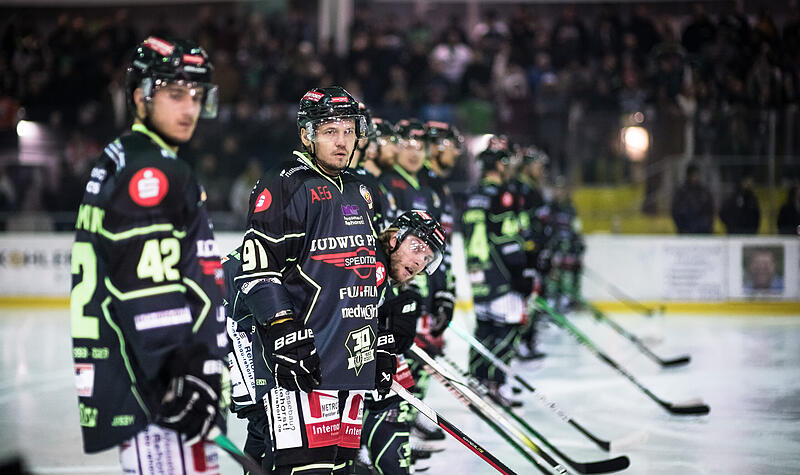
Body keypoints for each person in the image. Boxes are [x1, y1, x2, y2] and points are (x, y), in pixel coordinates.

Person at [69, 37, 228, 474]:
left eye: (197, 96)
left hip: (150, 385)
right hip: (160, 392)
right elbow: (148, 289)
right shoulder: (153, 171)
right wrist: (182, 374)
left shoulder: (127, 157)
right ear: (141, 98)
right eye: (175, 94)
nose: (189, 108)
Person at [234, 86, 395, 475]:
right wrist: (284, 332)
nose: (341, 141)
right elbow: (258, 269)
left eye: (348, 130)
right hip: (300, 356)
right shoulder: (286, 183)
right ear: (307, 134)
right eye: (329, 131)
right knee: (303, 467)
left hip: (350, 355)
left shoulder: (361, 188)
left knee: (340, 465)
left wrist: (382, 339)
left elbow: (370, 269)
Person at [462, 148, 528, 408]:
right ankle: (497, 383)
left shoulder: (473, 194)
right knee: (508, 328)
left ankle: (477, 381)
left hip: (477, 273)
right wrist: (521, 272)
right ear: (500, 165)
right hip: (501, 275)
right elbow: (506, 239)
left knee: (485, 327)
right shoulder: (503, 194)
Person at [671, 164, 714, 234]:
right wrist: (682, 228)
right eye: (693, 175)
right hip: (686, 231)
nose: (695, 177)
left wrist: (707, 227)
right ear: (688, 175)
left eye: (697, 175)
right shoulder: (681, 192)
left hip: (703, 232)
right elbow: (676, 212)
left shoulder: (704, 191)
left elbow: (710, 212)